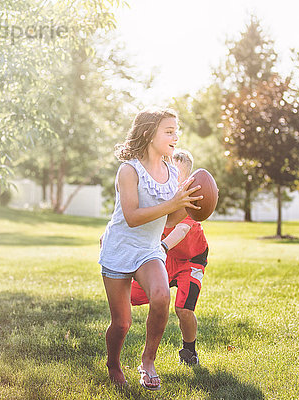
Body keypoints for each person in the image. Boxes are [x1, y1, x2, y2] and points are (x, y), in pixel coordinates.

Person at [98, 108, 203, 391]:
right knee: (121, 324)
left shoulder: (171, 173)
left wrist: (190, 205)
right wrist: (173, 203)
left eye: (176, 131)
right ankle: (113, 363)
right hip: (120, 248)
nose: (176, 136)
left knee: (160, 297)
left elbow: (168, 219)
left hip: (148, 249)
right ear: (148, 133)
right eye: (169, 131)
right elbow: (132, 217)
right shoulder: (129, 170)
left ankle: (148, 361)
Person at [131, 149, 208, 366]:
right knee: (130, 295)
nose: (173, 179)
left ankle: (189, 349)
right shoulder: (158, 194)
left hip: (190, 259)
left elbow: (180, 231)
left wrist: (161, 248)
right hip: (165, 256)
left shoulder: (191, 200)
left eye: (178, 175)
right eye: (169, 172)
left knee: (183, 309)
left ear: (188, 180)